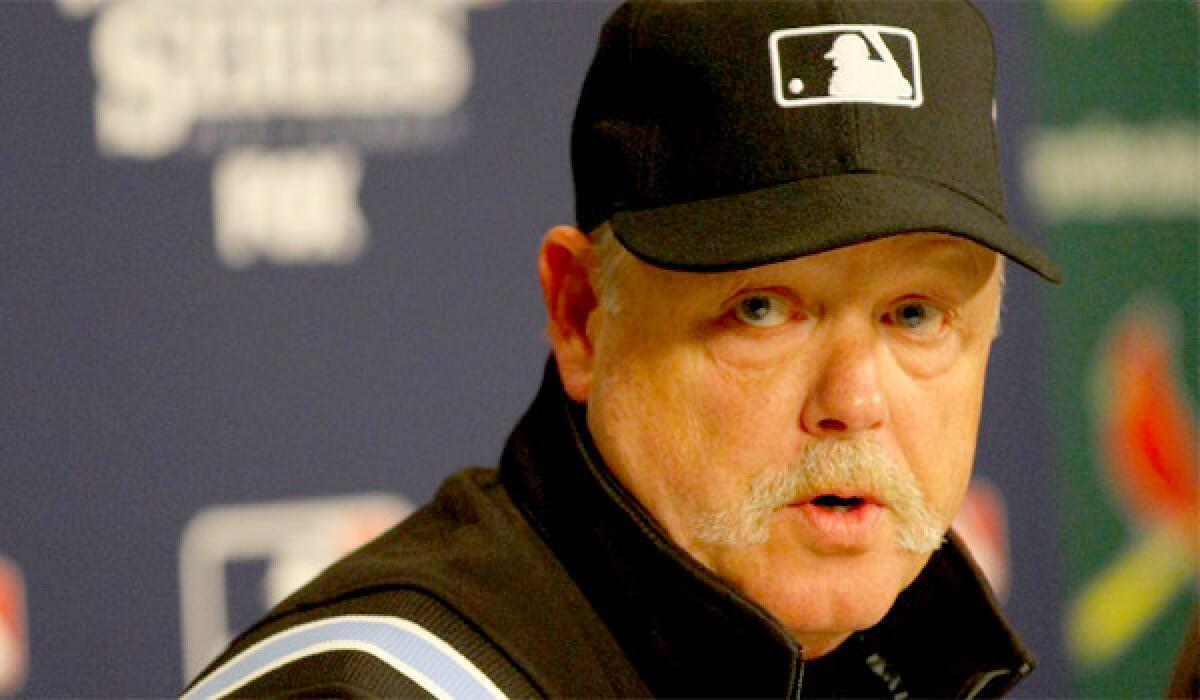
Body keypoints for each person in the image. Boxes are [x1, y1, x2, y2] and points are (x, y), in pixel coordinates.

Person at [184, 1, 1062, 697]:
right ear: (580, 316)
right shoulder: (374, 694)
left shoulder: (889, 668)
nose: (854, 399)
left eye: (915, 315)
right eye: (761, 307)